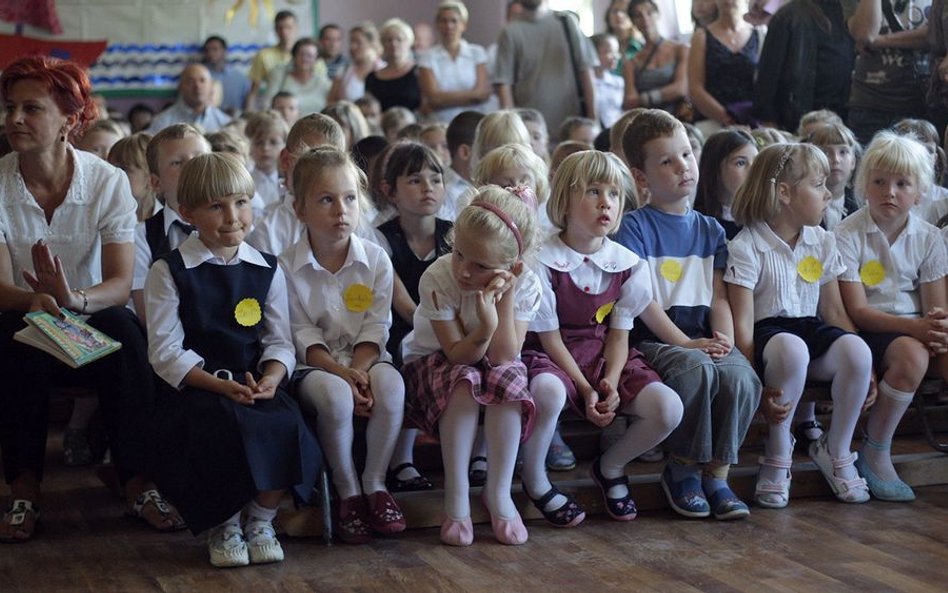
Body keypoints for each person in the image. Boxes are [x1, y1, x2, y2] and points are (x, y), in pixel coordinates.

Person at [0, 55, 182, 542]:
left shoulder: (106, 180)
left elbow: (121, 284)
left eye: (31, 109)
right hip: (22, 314)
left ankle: (137, 484)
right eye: (11, 107)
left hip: (87, 314)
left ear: (70, 121)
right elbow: (0, 287)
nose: (14, 119)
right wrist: (36, 301)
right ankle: (24, 491)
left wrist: (71, 298)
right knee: (13, 341)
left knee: (126, 333)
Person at [144, 153, 319, 567]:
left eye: (241, 203)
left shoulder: (268, 269)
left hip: (253, 383)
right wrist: (219, 385)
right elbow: (165, 351)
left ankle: (261, 517)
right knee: (217, 426)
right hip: (198, 387)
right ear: (187, 213)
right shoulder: (170, 271)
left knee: (283, 422)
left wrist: (273, 377)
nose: (232, 217)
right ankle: (224, 523)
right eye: (216, 206)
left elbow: (279, 342)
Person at [521, 150, 682, 525]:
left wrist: (609, 380)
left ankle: (611, 467)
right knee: (548, 390)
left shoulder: (627, 263)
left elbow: (618, 334)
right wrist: (586, 388)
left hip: (600, 352)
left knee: (667, 408)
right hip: (552, 352)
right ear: (564, 200)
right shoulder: (541, 259)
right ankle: (535, 479)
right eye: (593, 191)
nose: (605, 203)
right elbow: (549, 338)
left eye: (613, 193)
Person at [615, 111, 761, 520]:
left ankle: (718, 473)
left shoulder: (712, 230)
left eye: (686, 154)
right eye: (666, 161)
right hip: (655, 340)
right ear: (641, 177)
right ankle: (681, 468)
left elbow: (718, 296)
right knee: (695, 369)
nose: (683, 166)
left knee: (739, 374)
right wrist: (684, 342)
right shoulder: (634, 228)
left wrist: (725, 339)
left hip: (700, 334)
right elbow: (643, 302)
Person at [725, 143, 873, 508]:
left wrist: (868, 369)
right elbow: (742, 324)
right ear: (785, 193)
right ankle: (778, 451)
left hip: (810, 331)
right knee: (792, 349)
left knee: (856, 350)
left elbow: (834, 313)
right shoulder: (747, 246)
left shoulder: (821, 240)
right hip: (769, 339)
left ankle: (835, 448)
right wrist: (753, 380)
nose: (828, 193)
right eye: (818, 184)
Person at [402, 185, 541, 547]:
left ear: (513, 268)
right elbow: (457, 355)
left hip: (488, 359)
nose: (463, 271)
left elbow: (503, 357)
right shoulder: (438, 278)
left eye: (480, 265)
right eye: (458, 254)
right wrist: (485, 326)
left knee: (510, 383)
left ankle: (498, 492)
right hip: (435, 361)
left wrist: (505, 297)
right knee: (464, 383)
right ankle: (457, 494)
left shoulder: (526, 285)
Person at [282, 146, 406, 544]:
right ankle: (347, 487)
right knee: (335, 397)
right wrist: (343, 374)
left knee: (392, 388)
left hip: (366, 358)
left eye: (350, 198)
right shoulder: (285, 267)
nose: (341, 210)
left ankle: (375, 481)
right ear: (300, 209)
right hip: (316, 367)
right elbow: (303, 335)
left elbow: (377, 325)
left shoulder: (376, 259)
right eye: (326, 199)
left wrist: (361, 369)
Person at [835, 132, 948, 502]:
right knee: (912, 355)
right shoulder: (847, 234)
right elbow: (857, 311)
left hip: (915, 327)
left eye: (903, 184)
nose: (890, 192)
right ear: (863, 185)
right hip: (871, 329)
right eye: (880, 181)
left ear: (920, 192)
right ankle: (875, 450)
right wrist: (918, 328)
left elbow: (936, 308)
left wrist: (937, 330)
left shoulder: (930, 238)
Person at [374, 143, 452, 493]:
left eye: (436, 179)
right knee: (402, 359)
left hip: (449, 322)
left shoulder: (454, 234)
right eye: (415, 180)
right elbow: (404, 304)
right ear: (390, 191)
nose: (428, 188)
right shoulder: (381, 238)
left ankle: (475, 455)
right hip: (402, 326)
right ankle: (401, 458)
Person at [131, 124, 212, 322]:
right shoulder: (142, 237)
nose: (193, 167)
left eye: (200, 158)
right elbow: (148, 315)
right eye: (177, 162)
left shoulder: (238, 226)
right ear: (156, 183)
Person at [247, 114, 347, 258]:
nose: (324, 172)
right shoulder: (267, 234)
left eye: (334, 163)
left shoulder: (354, 225)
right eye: (313, 160)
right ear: (286, 160)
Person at [494, 0, 598, 136]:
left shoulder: (567, 23)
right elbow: (504, 85)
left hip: (572, 128)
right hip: (531, 132)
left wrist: (593, 119)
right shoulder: (510, 32)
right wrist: (513, 132)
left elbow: (586, 72)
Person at [752, 0, 855, 133]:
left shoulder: (849, 14)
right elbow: (768, 73)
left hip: (841, 116)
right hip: (798, 119)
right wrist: (768, 120)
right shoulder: (789, 15)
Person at [845, 0, 931, 145]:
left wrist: (881, 41)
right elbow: (865, 33)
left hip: (920, 98)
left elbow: (935, 35)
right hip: (870, 101)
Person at [688, 0, 764, 134]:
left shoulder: (759, 34)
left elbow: (767, 83)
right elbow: (695, 89)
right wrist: (728, 119)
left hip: (753, 119)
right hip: (713, 120)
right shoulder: (701, 36)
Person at [418, 1, 492, 124]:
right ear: (437, 24)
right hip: (441, 123)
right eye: (444, 21)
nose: (449, 26)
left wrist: (444, 98)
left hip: (474, 121)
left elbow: (482, 94)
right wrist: (472, 95)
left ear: (463, 25)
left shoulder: (477, 53)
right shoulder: (427, 57)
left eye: (454, 21)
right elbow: (433, 99)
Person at [622, 0, 690, 116]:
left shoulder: (681, 49)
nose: (645, 18)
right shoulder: (631, 63)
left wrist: (644, 98)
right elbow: (630, 101)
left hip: (681, 117)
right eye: (638, 15)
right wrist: (666, 93)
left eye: (649, 13)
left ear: (658, 15)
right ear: (633, 21)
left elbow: (681, 88)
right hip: (651, 123)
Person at [694, 127, 759, 239]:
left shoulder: (763, 220)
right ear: (715, 170)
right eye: (741, 163)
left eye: (756, 162)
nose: (752, 171)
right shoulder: (697, 222)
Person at [807, 122, 861, 230]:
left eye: (843, 152)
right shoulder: (804, 202)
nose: (836, 159)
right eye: (826, 153)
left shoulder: (860, 203)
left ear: (853, 162)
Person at [149, 64, 231, 134]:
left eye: (202, 81)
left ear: (211, 86)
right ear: (180, 86)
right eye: (191, 81)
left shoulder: (225, 123)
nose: (197, 86)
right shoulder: (162, 122)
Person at [265, 37, 332, 117]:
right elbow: (268, 106)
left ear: (316, 59)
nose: (305, 58)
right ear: (294, 56)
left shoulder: (324, 83)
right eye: (301, 54)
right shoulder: (280, 77)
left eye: (309, 55)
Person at [366, 19, 422, 113]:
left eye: (399, 39)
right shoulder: (372, 78)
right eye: (389, 40)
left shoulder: (419, 72)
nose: (394, 44)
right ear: (383, 43)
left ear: (409, 42)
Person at [246, 10, 298, 112]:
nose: (284, 32)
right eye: (280, 28)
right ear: (275, 30)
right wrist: (249, 113)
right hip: (272, 109)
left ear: (296, 28)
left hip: (299, 107)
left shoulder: (305, 55)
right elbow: (254, 90)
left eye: (288, 27)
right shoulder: (263, 55)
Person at [328, 23, 384, 105]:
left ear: (371, 43)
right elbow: (330, 101)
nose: (352, 46)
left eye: (358, 42)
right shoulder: (344, 70)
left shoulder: (384, 69)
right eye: (351, 42)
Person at [109, 132, 159, 222]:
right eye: (111, 168)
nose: (112, 175)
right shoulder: (102, 216)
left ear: (151, 179)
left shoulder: (167, 224)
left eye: (124, 169)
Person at [245, 110, 289, 211]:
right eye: (259, 142)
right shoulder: (244, 183)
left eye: (273, 142)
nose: (265, 148)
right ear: (250, 145)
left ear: (284, 145)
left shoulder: (289, 184)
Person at [202, 35, 252, 115]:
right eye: (207, 50)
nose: (210, 53)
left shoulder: (240, 78)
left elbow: (248, 105)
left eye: (215, 49)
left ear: (225, 51)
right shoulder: (200, 77)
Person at [591, 33, 625, 129]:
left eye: (616, 52)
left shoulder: (619, 82)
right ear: (594, 53)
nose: (616, 57)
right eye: (609, 52)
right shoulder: (585, 85)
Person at [605, 0, 644, 70]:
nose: (619, 15)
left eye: (624, 11)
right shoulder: (600, 45)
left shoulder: (642, 45)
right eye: (615, 11)